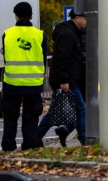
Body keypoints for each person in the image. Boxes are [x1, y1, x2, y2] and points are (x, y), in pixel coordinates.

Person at [37, 9, 87, 147]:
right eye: (85, 19)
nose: (86, 22)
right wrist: (64, 81)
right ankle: (84, 139)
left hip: (67, 78)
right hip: (65, 79)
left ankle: (36, 137)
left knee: (55, 110)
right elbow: (61, 59)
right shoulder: (69, 35)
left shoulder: (71, 33)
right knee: (81, 108)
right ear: (77, 18)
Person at [1, 2, 47, 151]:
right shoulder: (40, 35)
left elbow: (6, 59)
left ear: (16, 15)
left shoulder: (7, 34)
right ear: (31, 16)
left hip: (11, 83)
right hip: (33, 83)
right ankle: (29, 145)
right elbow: (43, 59)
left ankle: (8, 146)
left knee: (10, 116)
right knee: (31, 116)